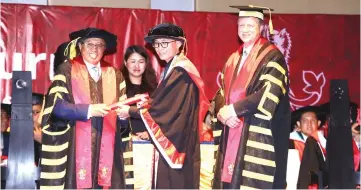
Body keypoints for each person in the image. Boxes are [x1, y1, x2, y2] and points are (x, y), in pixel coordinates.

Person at [117, 23, 213, 189]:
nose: (159, 49)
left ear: (179, 44)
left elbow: (164, 107)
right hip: (177, 138)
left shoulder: (180, 72)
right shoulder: (172, 68)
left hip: (178, 142)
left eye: (164, 43)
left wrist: (131, 111)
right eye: (156, 44)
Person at [211, 5, 291, 189]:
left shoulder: (272, 56)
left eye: (250, 25)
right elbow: (221, 93)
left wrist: (233, 110)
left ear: (261, 27)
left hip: (257, 133)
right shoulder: (233, 59)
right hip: (232, 131)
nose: (245, 30)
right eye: (241, 26)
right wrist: (222, 112)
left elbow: (268, 94)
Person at [40, 28, 127, 189]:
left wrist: (124, 115)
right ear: (80, 46)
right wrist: (88, 110)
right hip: (75, 146)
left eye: (99, 45)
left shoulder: (115, 75)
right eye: (90, 44)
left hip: (107, 146)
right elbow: (56, 107)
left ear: (105, 49)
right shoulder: (66, 70)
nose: (94, 49)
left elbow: (123, 117)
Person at [119, 45, 157, 189]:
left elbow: (160, 118)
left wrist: (151, 133)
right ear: (125, 63)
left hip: (148, 148)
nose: (136, 65)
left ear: (146, 64)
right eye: (132, 61)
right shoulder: (118, 87)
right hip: (125, 147)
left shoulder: (154, 90)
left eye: (141, 61)